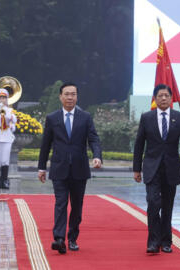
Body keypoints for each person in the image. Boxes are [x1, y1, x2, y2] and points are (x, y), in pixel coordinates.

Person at [37, 82, 102, 254]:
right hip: (59, 168)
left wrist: (97, 156)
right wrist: (41, 167)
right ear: (60, 97)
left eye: (73, 94)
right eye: (66, 94)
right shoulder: (52, 118)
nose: (70, 97)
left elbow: (94, 139)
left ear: (77, 97)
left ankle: (72, 237)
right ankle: (59, 238)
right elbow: (46, 144)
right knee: (60, 203)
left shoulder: (85, 117)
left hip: (80, 169)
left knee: (77, 206)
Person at [133, 84, 180, 254]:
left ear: (171, 98)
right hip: (151, 167)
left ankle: (166, 241)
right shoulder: (147, 117)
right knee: (153, 203)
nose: (163, 98)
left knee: (167, 206)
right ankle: (153, 242)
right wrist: (136, 169)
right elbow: (139, 144)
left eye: (166, 96)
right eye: (160, 95)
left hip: (171, 168)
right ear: (155, 98)